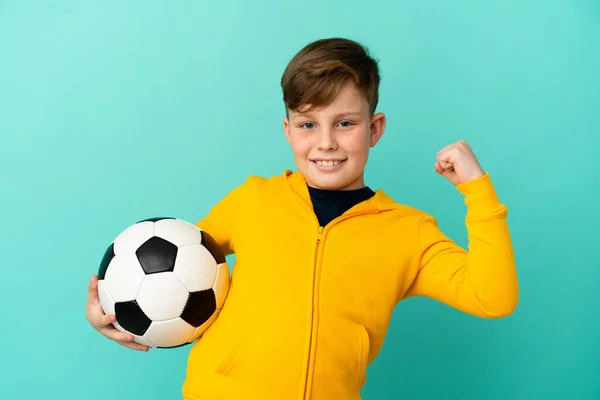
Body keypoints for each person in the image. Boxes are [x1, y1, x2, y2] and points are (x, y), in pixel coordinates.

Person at [86, 37, 519, 399]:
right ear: (288, 130)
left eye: (345, 123)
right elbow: (168, 268)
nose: (326, 143)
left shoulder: (409, 232)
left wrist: (477, 192)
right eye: (308, 125)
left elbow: (493, 297)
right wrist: (108, 306)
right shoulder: (253, 199)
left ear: (375, 129)